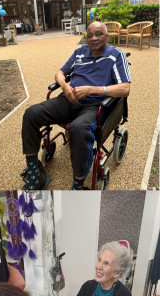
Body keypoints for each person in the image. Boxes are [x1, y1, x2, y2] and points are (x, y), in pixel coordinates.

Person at [19, 20, 131, 190]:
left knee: (78, 129)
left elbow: (125, 88)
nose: (93, 38)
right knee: (31, 113)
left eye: (99, 34)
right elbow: (60, 72)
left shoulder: (115, 55)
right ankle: (35, 172)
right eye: (90, 35)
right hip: (68, 100)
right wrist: (65, 86)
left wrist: (92, 90)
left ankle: (78, 184)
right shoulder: (79, 52)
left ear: (107, 37)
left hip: (94, 106)